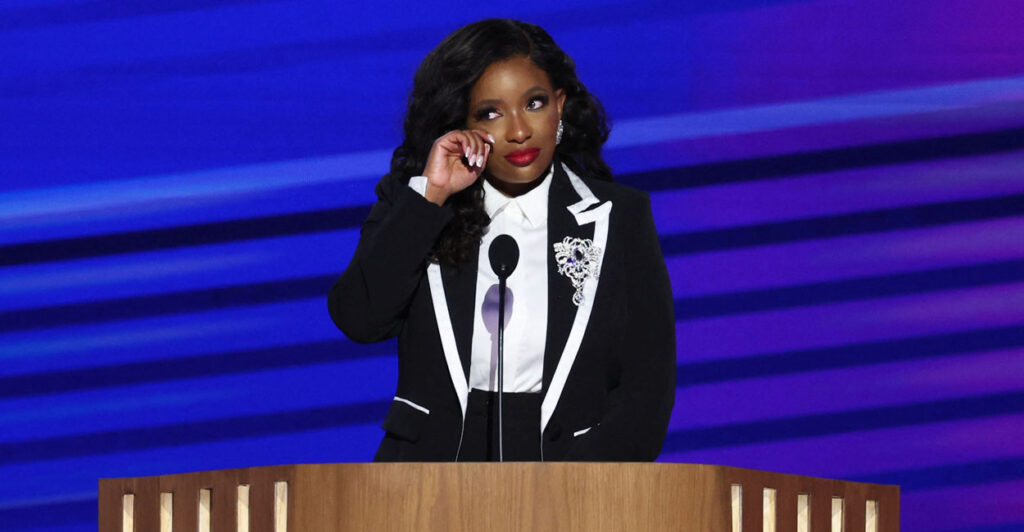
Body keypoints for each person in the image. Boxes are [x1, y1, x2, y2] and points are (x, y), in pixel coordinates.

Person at [328, 18, 675, 462]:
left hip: (571, 477)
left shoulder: (618, 216)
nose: (518, 131)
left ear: (560, 106)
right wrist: (432, 195)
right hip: (426, 481)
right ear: (461, 123)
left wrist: (591, 491)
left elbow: (648, 384)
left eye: (534, 103)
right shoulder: (417, 204)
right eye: (491, 113)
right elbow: (359, 319)